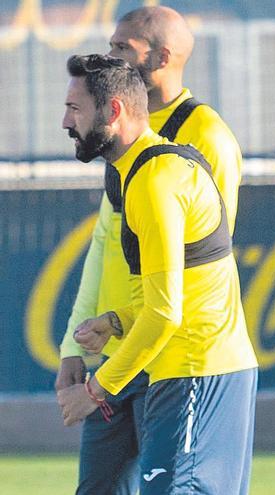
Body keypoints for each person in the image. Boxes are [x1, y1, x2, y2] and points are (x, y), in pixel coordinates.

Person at [53, 6, 243, 494]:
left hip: (179, 354)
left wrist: (96, 389)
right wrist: (93, 334)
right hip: (131, 347)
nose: (65, 122)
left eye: (122, 48)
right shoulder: (133, 157)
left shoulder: (193, 145)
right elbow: (105, 243)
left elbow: (198, 273)